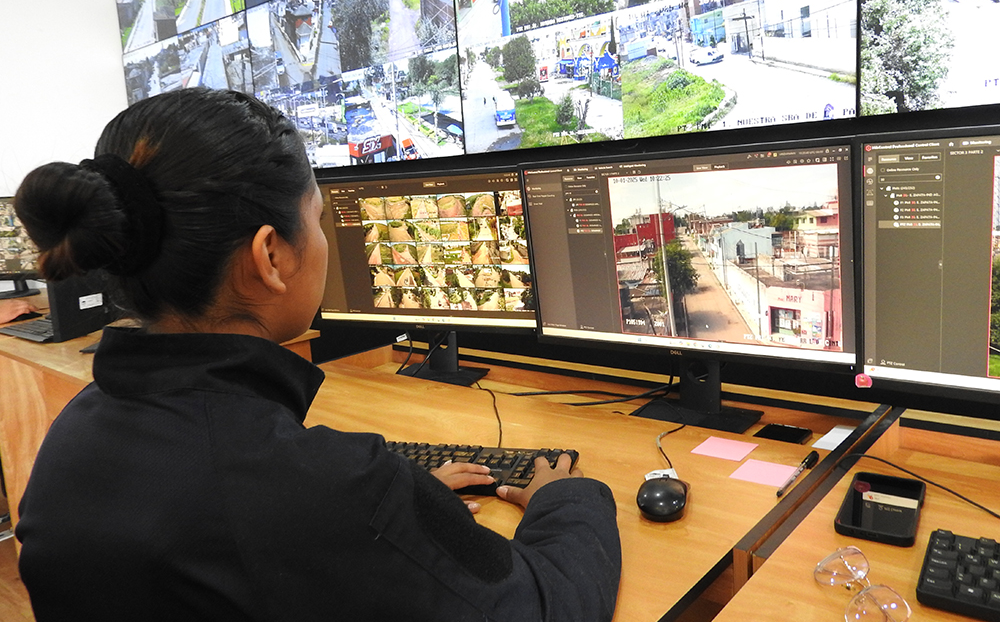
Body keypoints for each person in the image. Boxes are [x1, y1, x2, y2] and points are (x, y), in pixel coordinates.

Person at [13, 88, 621, 621]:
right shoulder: (321, 493)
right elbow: (544, 607)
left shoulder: (73, 436)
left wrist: (398, 514)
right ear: (271, 256)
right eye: (319, 218)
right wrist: (564, 499)